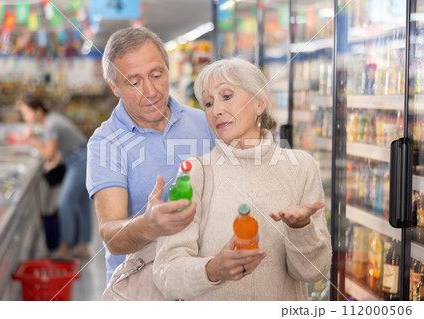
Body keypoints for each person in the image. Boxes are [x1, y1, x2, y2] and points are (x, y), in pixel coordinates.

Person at [152, 57, 332, 300]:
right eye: (207, 103)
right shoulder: (196, 173)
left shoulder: (300, 168)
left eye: (227, 96)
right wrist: (212, 270)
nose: (216, 110)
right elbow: (166, 274)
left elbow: (313, 272)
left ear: (259, 103)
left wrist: (301, 229)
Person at [86, 27, 215, 283]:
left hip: (205, 280)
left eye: (157, 75)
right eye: (134, 82)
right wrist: (149, 225)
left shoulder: (206, 122)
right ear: (114, 87)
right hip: (141, 289)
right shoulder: (106, 143)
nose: (151, 91)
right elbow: (110, 233)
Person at [19, 97, 91, 259]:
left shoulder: (50, 125)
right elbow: (62, 147)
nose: (24, 117)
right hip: (82, 156)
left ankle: (64, 248)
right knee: (82, 205)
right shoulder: (53, 120)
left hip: (79, 161)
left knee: (64, 204)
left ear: (38, 111)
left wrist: (32, 140)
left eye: (26, 112)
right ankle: (83, 247)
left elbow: (49, 154)